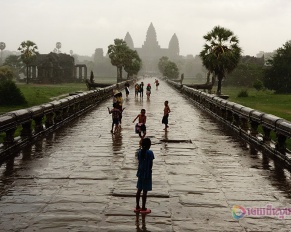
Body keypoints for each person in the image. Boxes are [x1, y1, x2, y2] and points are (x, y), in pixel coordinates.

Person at [134, 137, 154, 214]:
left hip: (140, 172)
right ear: (149, 145)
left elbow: (139, 161)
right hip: (147, 173)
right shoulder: (150, 153)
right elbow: (151, 164)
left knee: (139, 190)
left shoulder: (139, 152)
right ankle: (143, 207)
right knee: (145, 191)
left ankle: (137, 206)